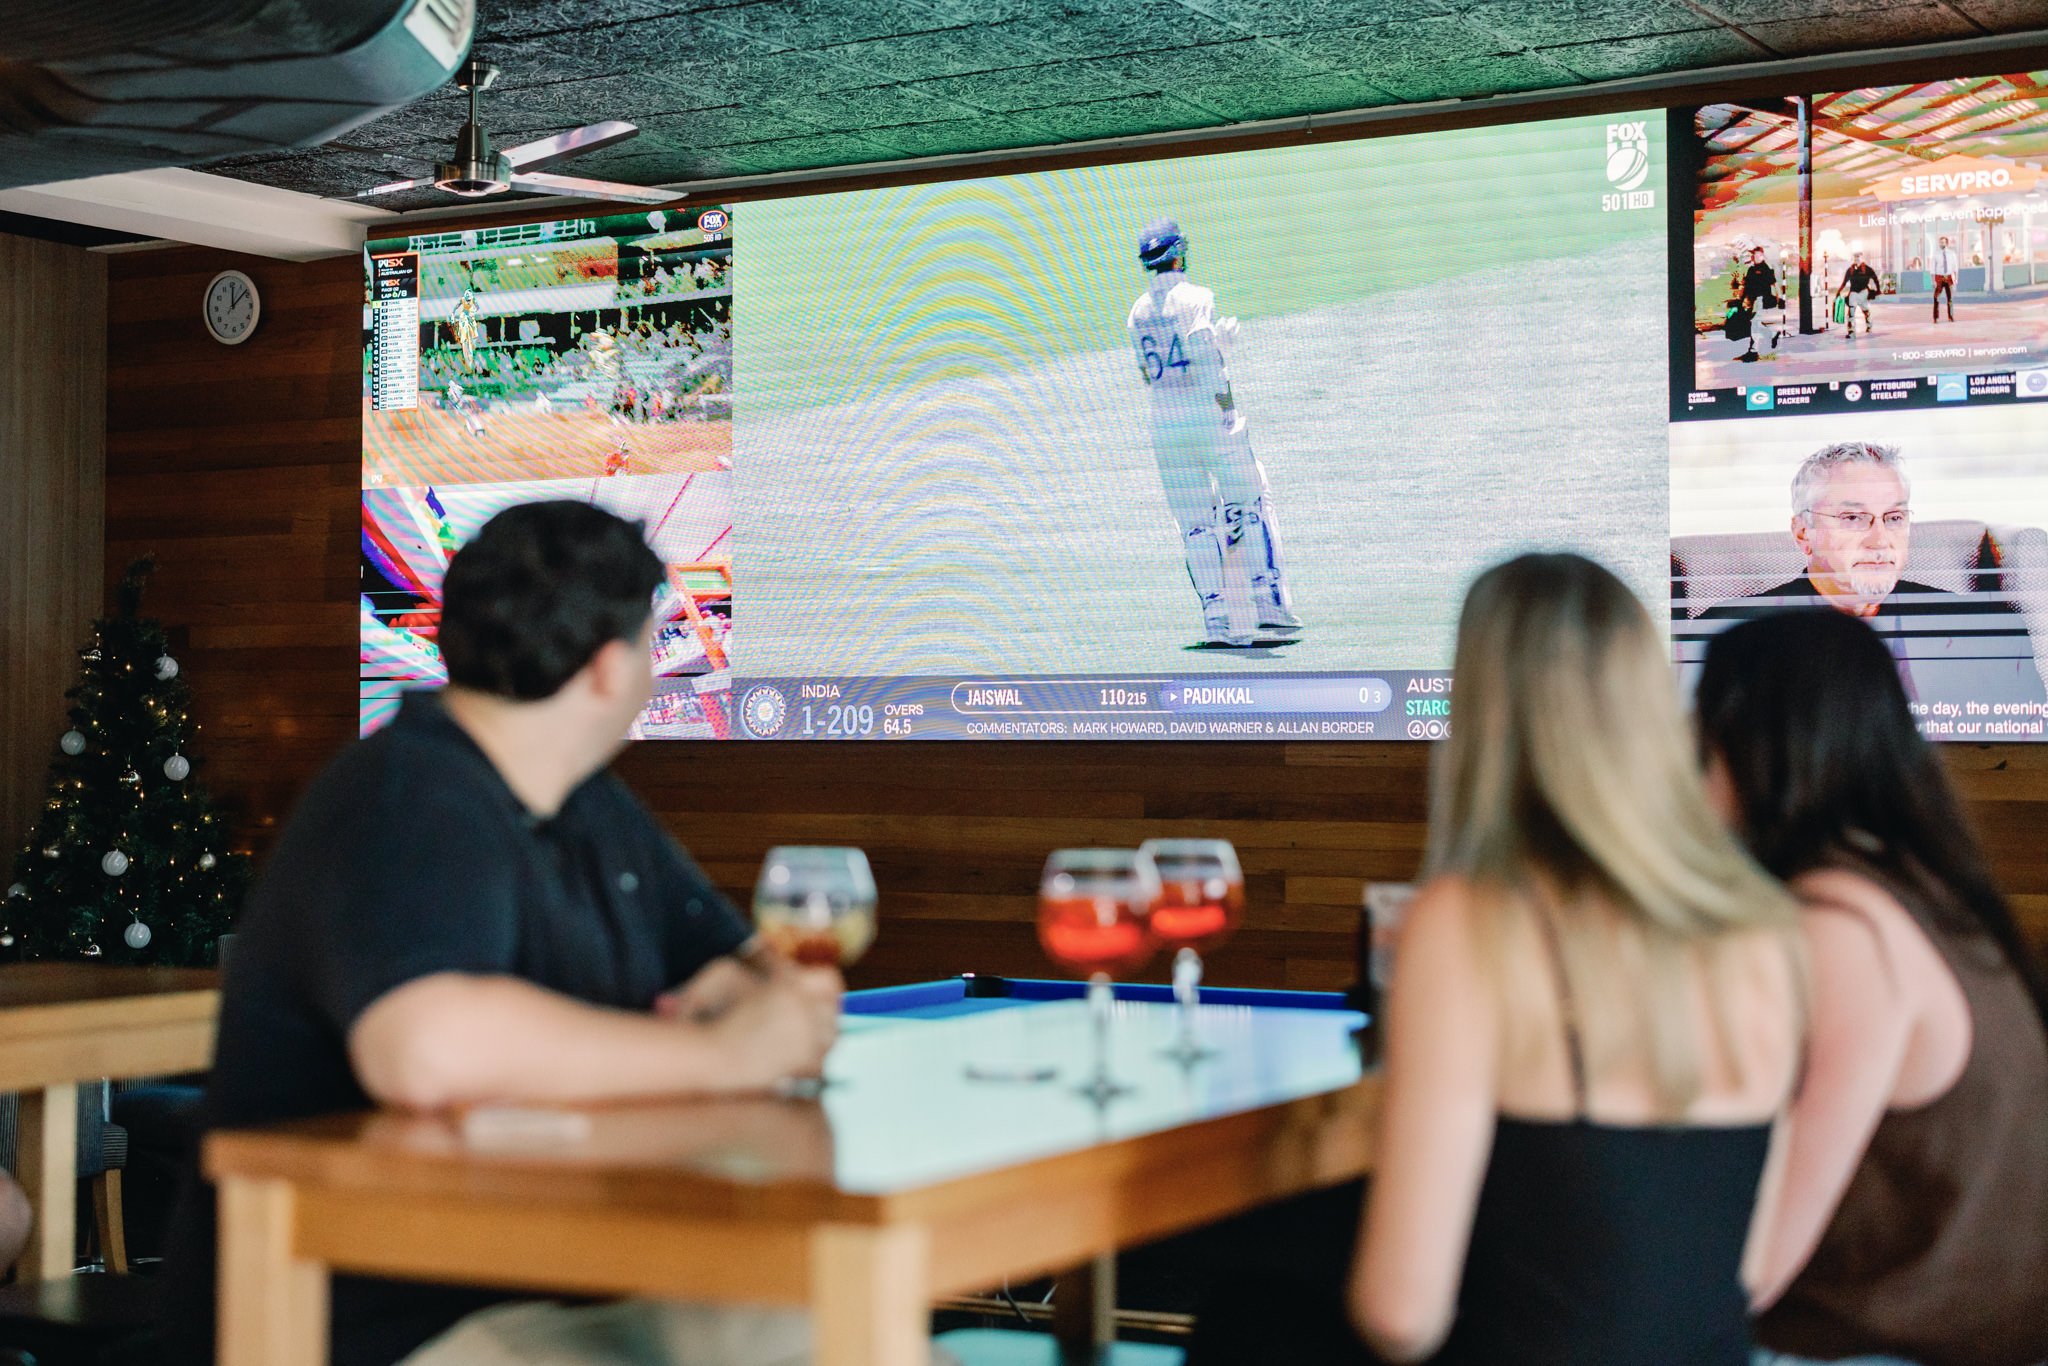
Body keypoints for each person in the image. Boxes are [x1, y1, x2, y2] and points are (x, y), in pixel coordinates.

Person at [158, 502, 856, 1366]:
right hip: (360, 1319)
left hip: (551, 1270)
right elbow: (427, 1050)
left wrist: (743, 1018)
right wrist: (724, 1053)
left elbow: (740, 978)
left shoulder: (587, 801)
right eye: (650, 644)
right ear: (608, 669)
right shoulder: (404, 796)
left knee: (850, 1344)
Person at [1190, 552, 1806, 1365]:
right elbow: (1745, 1270)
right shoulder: (1768, 930)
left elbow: (1400, 1316)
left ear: (1484, 712)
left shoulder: (1469, 921)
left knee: (1243, 1306)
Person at [1695, 609, 2048, 1366]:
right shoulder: (1920, 884)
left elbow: (1749, 1271)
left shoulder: (1844, 928)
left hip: (1893, 1346)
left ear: (1751, 746)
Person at [1697, 441, 2046, 707]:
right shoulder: (1725, 635)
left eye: (1894, 518)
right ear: (1803, 533)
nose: (1880, 540)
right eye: (1853, 518)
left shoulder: (1984, 628)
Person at [1126, 217, 1300, 648]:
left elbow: (1148, 376)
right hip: (1210, 418)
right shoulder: (1198, 297)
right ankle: (1268, 603)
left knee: (1195, 526)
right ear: (1180, 254)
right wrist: (1222, 351)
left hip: (1165, 427)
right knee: (1250, 503)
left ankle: (1217, 617)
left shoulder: (1137, 313)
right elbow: (1203, 358)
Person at [1737, 246, 1784, 361]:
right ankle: (1772, 334)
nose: (1754, 257)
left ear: (1762, 256)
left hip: (1761, 299)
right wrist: (1741, 298)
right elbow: (1746, 285)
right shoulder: (1751, 269)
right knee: (1755, 323)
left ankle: (1753, 351)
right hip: (1752, 300)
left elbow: (1774, 284)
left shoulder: (1765, 269)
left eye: (1757, 255)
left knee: (1755, 323)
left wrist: (1780, 297)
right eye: (1753, 255)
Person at [1835, 252, 1881, 339]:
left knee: (1864, 311)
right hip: (1856, 294)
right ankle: (1853, 332)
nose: (1856, 259)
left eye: (1858, 257)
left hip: (1862, 293)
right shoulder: (1852, 270)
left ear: (1861, 258)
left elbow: (1875, 279)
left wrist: (1878, 290)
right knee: (1853, 313)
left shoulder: (1865, 269)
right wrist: (1839, 291)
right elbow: (1844, 282)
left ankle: (1866, 327)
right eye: (1855, 257)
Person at [1932, 236, 1959, 322]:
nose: (1941, 244)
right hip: (1939, 277)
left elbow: (1955, 267)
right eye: (1940, 242)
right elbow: (1932, 268)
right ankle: (1935, 317)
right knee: (1936, 297)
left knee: (1950, 298)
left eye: (1943, 242)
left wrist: (1956, 279)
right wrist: (1933, 281)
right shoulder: (1936, 254)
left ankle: (1950, 316)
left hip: (1949, 277)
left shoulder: (1952, 254)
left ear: (1946, 243)